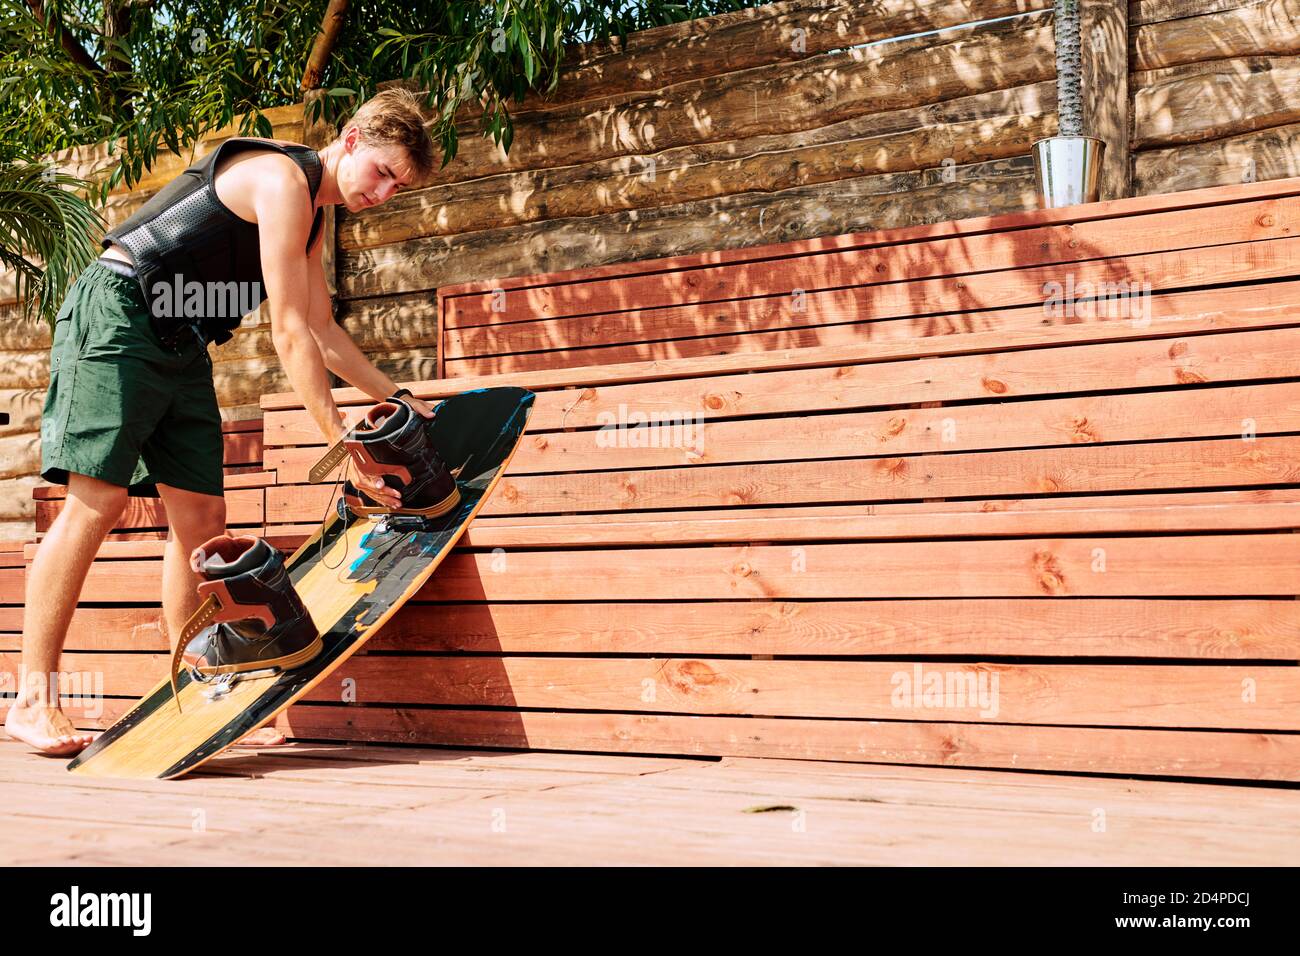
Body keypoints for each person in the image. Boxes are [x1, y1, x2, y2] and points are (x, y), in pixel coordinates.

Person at [5, 87, 438, 756]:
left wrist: (400, 396)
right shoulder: (281, 179)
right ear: (350, 140)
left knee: (203, 521)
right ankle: (33, 700)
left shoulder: (313, 219)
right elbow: (289, 332)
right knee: (98, 499)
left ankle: (195, 681)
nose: (383, 193)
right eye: (382, 172)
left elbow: (323, 328)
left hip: (181, 343)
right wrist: (339, 441)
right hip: (119, 311)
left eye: (398, 187)